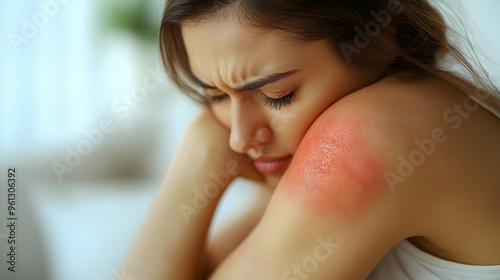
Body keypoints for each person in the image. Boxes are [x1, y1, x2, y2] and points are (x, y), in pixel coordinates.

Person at [121, 0, 500, 279]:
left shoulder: (366, 136)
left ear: (377, 43)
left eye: (277, 94)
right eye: (216, 96)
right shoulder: (433, 99)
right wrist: (200, 148)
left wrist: (196, 161)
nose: (239, 138)